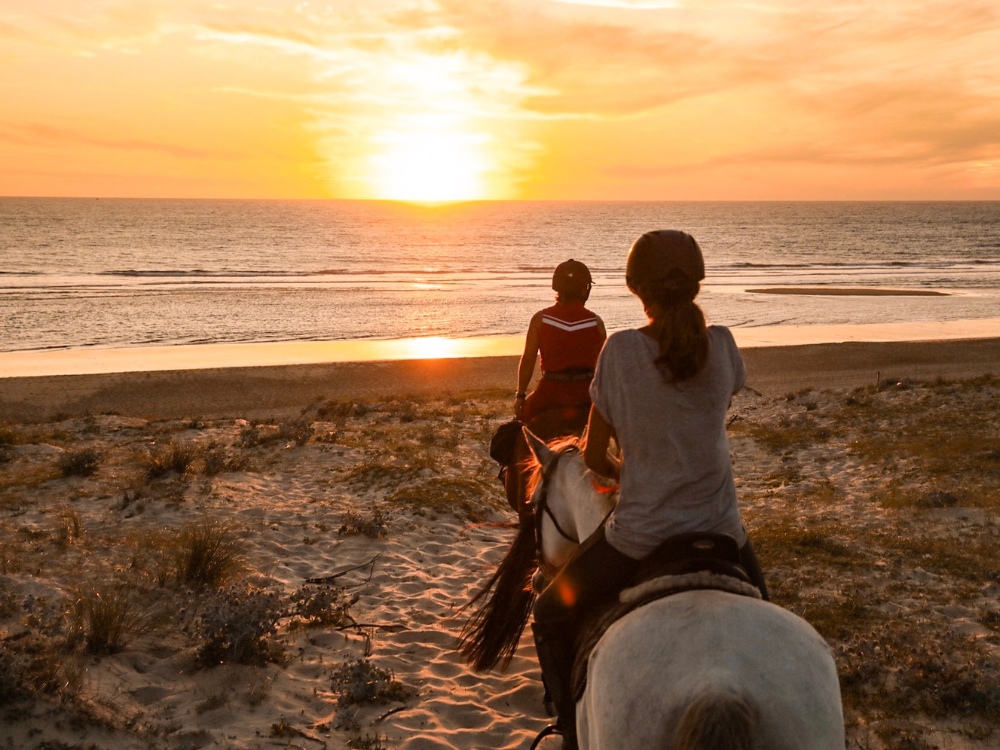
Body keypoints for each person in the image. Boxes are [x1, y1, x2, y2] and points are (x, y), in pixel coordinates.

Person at [531, 230, 767, 750]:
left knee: (548, 614)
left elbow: (593, 457)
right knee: (767, 611)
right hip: (722, 531)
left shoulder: (620, 352)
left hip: (638, 539)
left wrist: (623, 473)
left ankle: (570, 736)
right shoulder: (724, 346)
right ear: (696, 285)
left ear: (636, 289)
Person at [514, 259, 606, 423]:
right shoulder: (596, 322)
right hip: (586, 393)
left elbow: (528, 360)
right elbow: (604, 367)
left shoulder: (540, 319)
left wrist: (520, 395)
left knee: (517, 430)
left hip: (550, 391)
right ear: (585, 289)